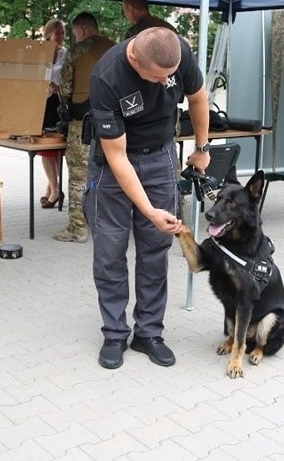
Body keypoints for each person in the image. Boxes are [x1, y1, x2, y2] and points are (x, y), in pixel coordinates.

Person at [84, 27, 210, 369]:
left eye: (168, 78)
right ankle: (114, 333)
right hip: (115, 163)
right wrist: (149, 209)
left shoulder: (178, 53)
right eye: (156, 78)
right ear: (134, 58)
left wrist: (201, 148)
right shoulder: (107, 78)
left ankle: (149, 333)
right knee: (110, 250)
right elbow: (118, 158)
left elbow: (198, 97)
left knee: (155, 249)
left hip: (161, 155)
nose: (163, 84)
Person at [53, 12, 115, 243]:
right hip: (114, 124)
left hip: (83, 123)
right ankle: (109, 226)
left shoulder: (77, 51)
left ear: (81, 30)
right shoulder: (115, 49)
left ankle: (77, 229)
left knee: (79, 176)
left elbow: (65, 87)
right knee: (112, 175)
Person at [39, 18, 66, 209]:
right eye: (58, 32)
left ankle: (53, 189)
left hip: (58, 102)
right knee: (45, 149)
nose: (62, 36)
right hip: (42, 101)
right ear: (49, 33)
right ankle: (54, 189)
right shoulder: (41, 50)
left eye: (63, 32)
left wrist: (56, 84)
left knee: (55, 147)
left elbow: (63, 76)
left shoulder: (65, 53)